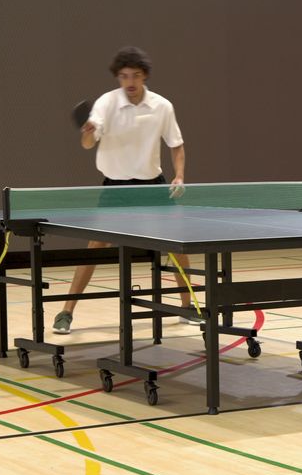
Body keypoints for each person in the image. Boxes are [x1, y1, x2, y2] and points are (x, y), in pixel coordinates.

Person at [53, 46, 198, 334]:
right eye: (123, 76)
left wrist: (179, 176)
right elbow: (87, 145)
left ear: (144, 76)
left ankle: (188, 305)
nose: (129, 82)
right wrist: (88, 132)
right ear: (118, 77)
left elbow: (176, 144)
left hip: (151, 187)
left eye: (135, 76)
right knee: (95, 247)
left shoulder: (162, 106)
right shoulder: (106, 104)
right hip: (116, 188)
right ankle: (66, 311)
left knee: (177, 244)